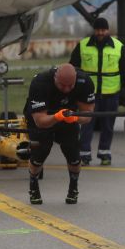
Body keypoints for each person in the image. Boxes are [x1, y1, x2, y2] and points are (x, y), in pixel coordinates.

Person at [22, 63, 95, 205]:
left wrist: (75, 118)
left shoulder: (84, 81)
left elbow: (88, 115)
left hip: (68, 115)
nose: (67, 89)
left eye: (70, 86)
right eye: (62, 86)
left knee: (73, 153)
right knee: (41, 153)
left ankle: (73, 187)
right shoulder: (40, 83)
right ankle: (33, 184)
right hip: (43, 116)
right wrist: (56, 117)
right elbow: (40, 121)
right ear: (55, 78)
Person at [69, 17, 125, 166]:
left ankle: (105, 153)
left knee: (108, 126)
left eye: (103, 30)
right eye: (98, 30)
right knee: (86, 125)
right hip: (88, 94)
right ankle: (84, 155)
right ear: (94, 30)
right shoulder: (83, 45)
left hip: (111, 94)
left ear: (108, 30)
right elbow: (73, 67)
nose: (100, 33)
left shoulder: (119, 47)